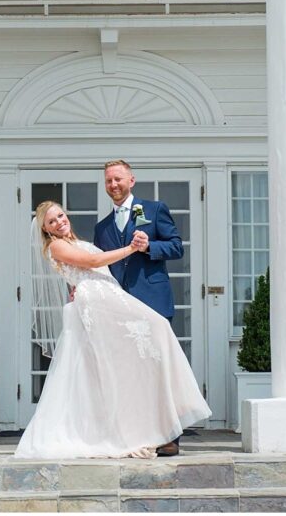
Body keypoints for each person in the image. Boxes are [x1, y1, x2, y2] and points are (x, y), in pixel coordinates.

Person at [15, 201, 210, 459]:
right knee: (155, 329)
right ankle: (164, 414)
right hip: (96, 300)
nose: (60, 222)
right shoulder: (56, 245)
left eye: (61, 215)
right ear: (46, 229)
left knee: (143, 349)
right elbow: (93, 260)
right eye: (52, 221)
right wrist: (131, 248)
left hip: (107, 294)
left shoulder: (73, 240)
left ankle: (167, 413)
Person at [93, 159, 186, 455]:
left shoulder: (154, 210)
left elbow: (176, 246)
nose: (113, 185)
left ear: (131, 180)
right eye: (109, 181)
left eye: (118, 179)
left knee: (160, 372)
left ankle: (169, 436)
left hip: (153, 304)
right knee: (131, 375)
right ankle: (137, 434)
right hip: (119, 310)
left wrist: (149, 247)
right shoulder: (102, 228)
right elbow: (101, 267)